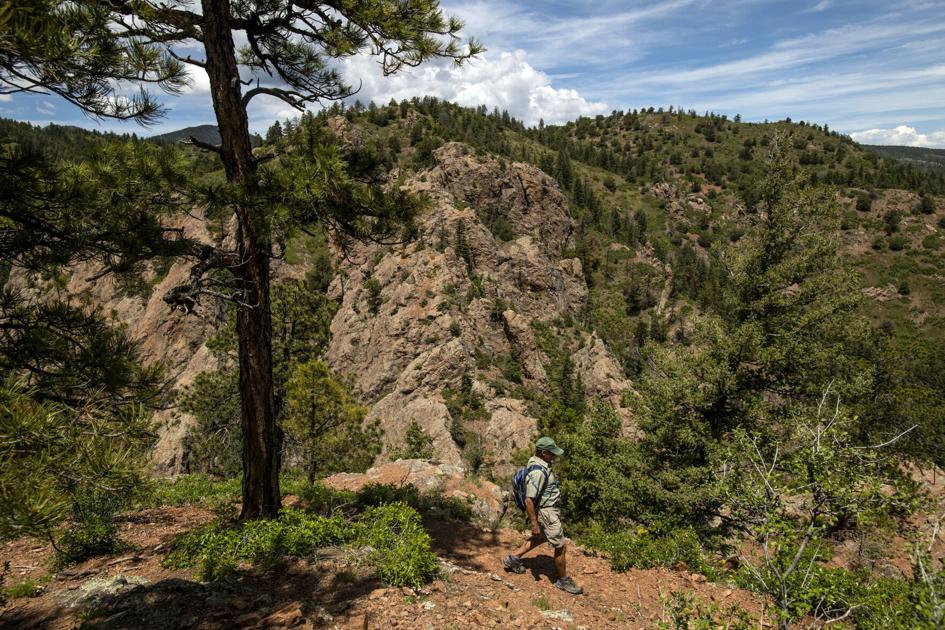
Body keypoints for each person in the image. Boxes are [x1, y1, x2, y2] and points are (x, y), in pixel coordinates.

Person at [503, 436, 583, 594]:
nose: (554, 456)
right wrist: (534, 523)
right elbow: (529, 500)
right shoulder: (538, 472)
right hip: (547, 512)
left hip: (546, 511)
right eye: (552, 453)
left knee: (541, 537)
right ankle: (563, 580)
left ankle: (513, 559)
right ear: (544, 453)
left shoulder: (538, 464)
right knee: (561, 546)